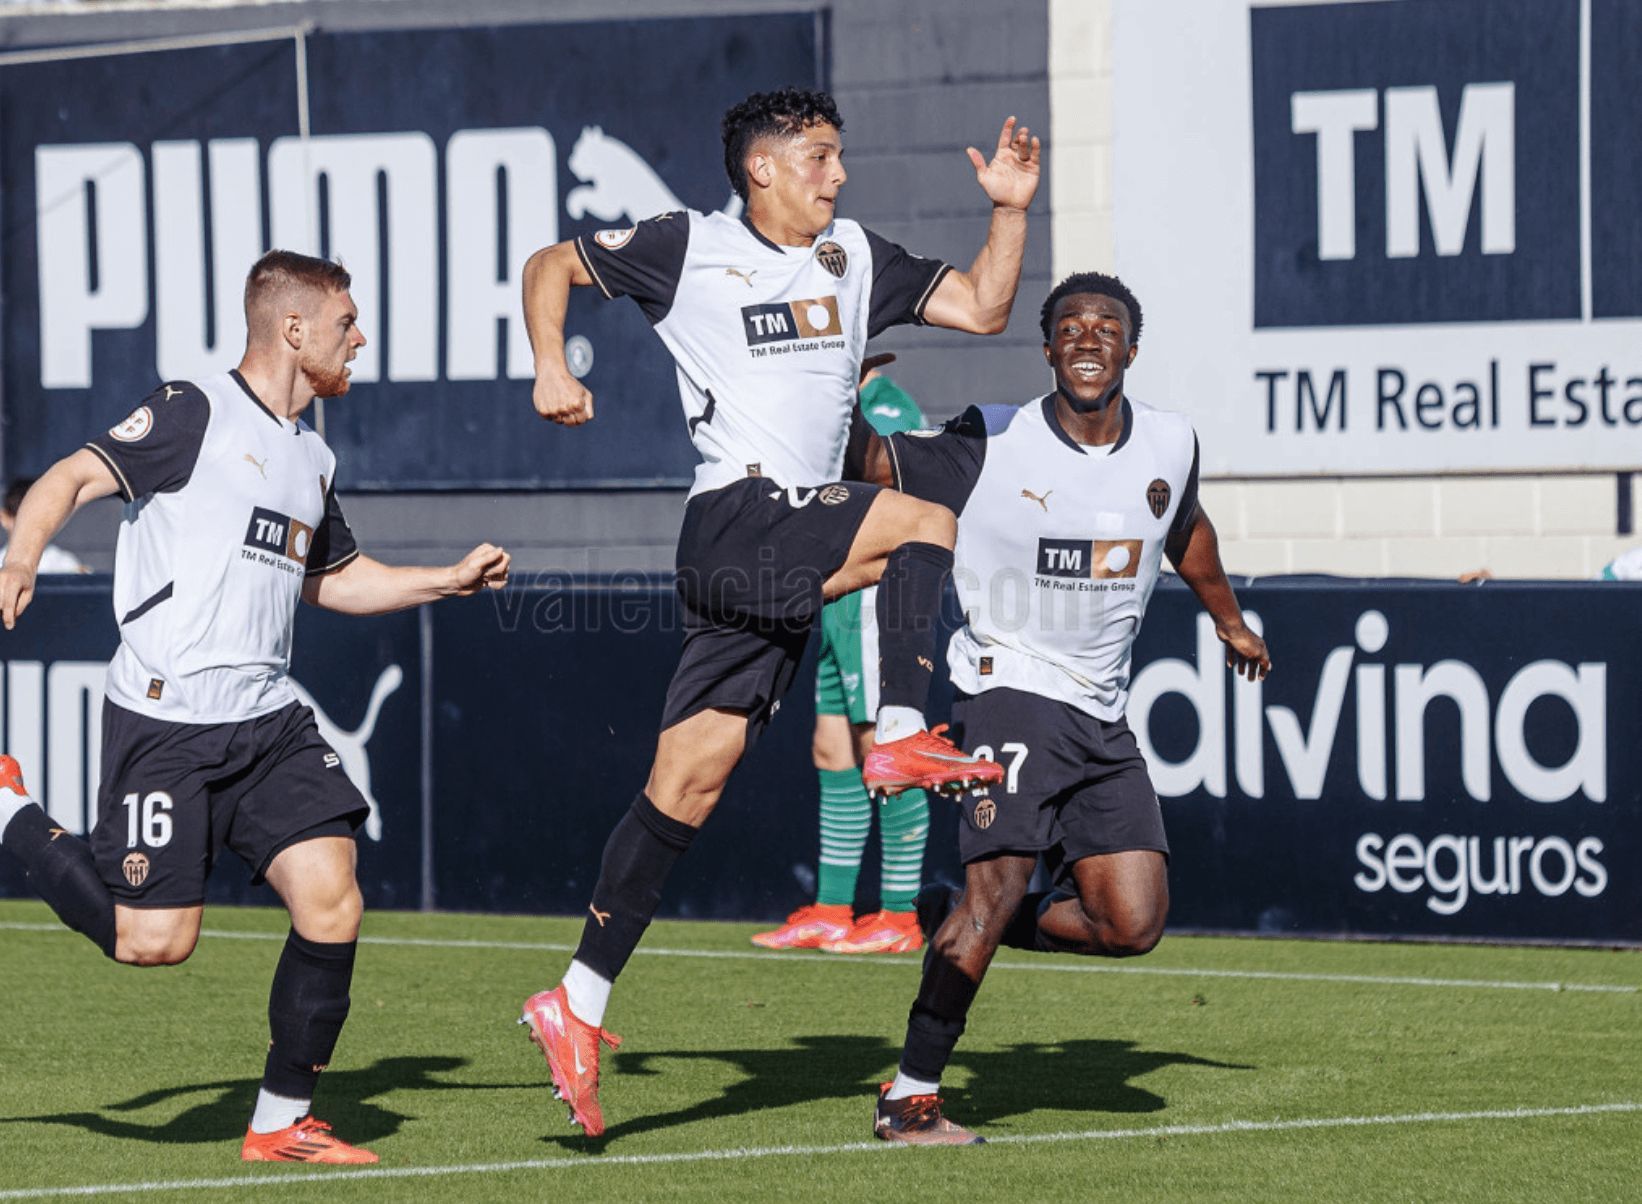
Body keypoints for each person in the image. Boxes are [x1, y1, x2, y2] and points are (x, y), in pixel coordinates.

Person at [517, 86, 1039, 1136]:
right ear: (760, 166)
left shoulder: (854, 255)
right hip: (735, 512)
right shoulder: (689, 245)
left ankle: (575, 1001)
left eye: (837, 156)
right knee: (924, 517)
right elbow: (550, 265)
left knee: (683, 789)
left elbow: (983, 308)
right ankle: (896, 731)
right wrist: (546, 364)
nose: (835, 175)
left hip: (769, 554)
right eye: (817, 156)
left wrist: (1010, 210)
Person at [0, 250, 511, 1165]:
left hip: (268, 722)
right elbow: (72, 477)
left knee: (332, 897)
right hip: (166, 722)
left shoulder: (313, 456)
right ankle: (6, 806)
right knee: (150, 942)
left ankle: (279, 1123)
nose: (360, 340)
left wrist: (445, 580)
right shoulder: (194, 409)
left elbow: (338, 579)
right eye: (347, 323)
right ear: (293, 329)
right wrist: (21, 554)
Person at [844, 271, 1271, 1144]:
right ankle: (911, 1093)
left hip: (1101, 713)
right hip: (1007, 690)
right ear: (1046, 349)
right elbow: (875, 467)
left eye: (1105, 327)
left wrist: (1230, 619)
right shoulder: (989, 437)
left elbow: (1186, 529)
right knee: (995, 890)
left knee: (1131, 922)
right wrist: (841, 387)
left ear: (1130, 350)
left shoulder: (1169, 441)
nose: (1086, 337)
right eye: (1068, 326)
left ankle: (958, 921)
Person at [752, 369, 932, 955]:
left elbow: (900, 501)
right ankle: (833, 910)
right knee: (831, 746)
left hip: (872, 593)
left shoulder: (886, 408)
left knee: (880, 746)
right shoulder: (834, 409)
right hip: (833, 593)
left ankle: (901, 915)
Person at [1, 478, 88, 573]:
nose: (29, 528)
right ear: (4, 518)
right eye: (21, 520)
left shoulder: (65, 565)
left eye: (37, 519)